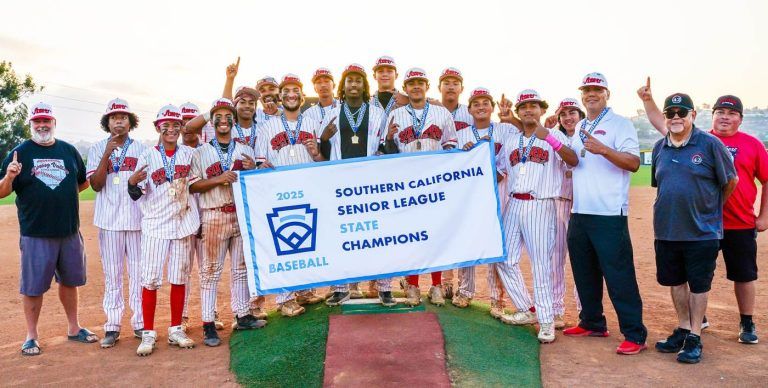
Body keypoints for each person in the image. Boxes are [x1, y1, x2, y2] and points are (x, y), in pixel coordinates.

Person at [639, 81, 768, 344]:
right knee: (689, 275)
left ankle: (746, 322)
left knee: (742, 275)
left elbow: (750, 180)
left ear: (740, 119)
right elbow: (661, 122)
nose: (725, 117)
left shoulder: (745, 144)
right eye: (721, 111)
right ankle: (695, 322)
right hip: (694, 225)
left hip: (734, 221)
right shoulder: (680, 140)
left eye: (732, 113)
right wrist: (647, 100)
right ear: (712, 115)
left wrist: (762, 216)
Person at [0, 102, 97, 356]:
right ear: (31, 124)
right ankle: (31, 336)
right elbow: (2, 192)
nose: (42, 125)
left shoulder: (68, 150)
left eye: (47, 121)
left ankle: (74, 328)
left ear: (54, 123)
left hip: (68, 230)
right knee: (33, 286)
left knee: (70, 281)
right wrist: (10, 176)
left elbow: (82, 182)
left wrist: (60, 197)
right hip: (36, 232)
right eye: (37, 122)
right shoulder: (20, 153)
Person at [649, 93, 738, 363]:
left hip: (702, 231)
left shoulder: (710, 144)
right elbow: (661, 185)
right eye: (670, 113)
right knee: (675, 282)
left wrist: (711, 208)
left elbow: (730, 181)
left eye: (681, 112)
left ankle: (695, 336)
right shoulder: (659, 147)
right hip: (667, 230)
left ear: (693, 115)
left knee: (699, 285)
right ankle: (684, 328)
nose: (676, 117)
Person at [565, 72, 648, 355]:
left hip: (609, 212)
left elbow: (634, 163)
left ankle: (635, 334)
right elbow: (576, 162)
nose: (591, 94)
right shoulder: (580, 126)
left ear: (607, 94)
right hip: (580, 211)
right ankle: (592, 322)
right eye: (587, 90)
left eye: (597, 90)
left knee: (619, 274)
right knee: (584, 271)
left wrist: (603, 149)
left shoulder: (620, 124)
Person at [493, 90, 578, 344]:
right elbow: (499, 171)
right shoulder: (511, 141)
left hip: (541, 204)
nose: (529, 110)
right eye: (524, 107)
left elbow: (573, 161)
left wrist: (551, 139)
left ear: (542, 110)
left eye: (534, 106)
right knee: (503, 258)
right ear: (518, 112)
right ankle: (527, 309)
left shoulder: (555, 135)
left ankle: (547, 320)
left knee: (541, 265)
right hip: (514, 203)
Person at [190, 98, 266, 347]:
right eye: (218, 116)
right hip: (213, 213)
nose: (223, 120)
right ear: (212, 121)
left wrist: (251, 168)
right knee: (210, 272)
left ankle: (242, 314)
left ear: (234, 120)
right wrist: (218, 179)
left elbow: (254, 181)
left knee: (241, 269)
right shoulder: (200, 151)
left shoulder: (244, 148)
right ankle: (208, 324)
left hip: (239, 214)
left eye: (227, 116)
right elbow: (193, 185)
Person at [316, 64, 393, 307]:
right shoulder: (332, 113)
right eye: (349, 80)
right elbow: (321, 151)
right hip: (340, 182)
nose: (353, 85)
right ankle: (341, 288)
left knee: (379, 234)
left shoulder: (378, 113)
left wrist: (386, 145)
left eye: (358, 81)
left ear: (364, 85)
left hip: (370, 182)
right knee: (342, 234)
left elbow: (384, 147)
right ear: (343, 85)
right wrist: (324, 140)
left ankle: (385, 287)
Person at [380, 67, 458, 307]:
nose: (416, 86)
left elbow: (451, 143)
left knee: (436, 234)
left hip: (433, 182)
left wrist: (443, 164)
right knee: (411, 235)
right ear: (405, 88)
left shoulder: (441, 112)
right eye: (411, 83)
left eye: (420, 82)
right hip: (407, 183)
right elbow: (384, 148)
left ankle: (435, 286)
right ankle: (412, 286)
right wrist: (389, 138)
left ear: (427, 86)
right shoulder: (396, 114)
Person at [128, 105, 201, 356]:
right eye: (165, 125)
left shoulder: (189, 154)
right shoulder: (148, 156)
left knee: (179, 277)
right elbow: (136, 193)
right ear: (158, 128)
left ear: (181, 128)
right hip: (156, 225)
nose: (171, 129)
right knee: (150, 279)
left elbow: (196, 186)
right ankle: (148, 332)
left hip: (182, 223)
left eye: (175, 125)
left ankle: (175, 328)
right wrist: (131, 183)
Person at [255, 74, 326, 316]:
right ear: (280, 96)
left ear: (302, 96)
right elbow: (260, 161)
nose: (291, 94)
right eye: (286, 91)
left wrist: (316, 154)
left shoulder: (313, 123)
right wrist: (260, 168)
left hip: (307, 188)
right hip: (279, 192)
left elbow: (321, 161)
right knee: (283, 242)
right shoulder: (267, 127)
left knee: (307, 240)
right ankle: (284, 299)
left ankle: (305, 291)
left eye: (296, 90)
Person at [87, 98, 146, 348]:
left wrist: (134, 182)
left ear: (130, 122)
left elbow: (143, 188)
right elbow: (96, 185)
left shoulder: (142, 148)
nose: (118, 120)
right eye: (113, 117)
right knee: (113, 276)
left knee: (138, 274)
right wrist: (107, 154)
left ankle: (140, 323)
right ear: (107, 122)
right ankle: (112, 326)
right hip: (109, 221)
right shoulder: (97, 148)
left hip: (136, 220)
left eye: (123, 116)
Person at [456, 87, 518, 311]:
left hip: (498, 188)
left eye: (485, 103)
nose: (481, 107)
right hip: (470, 193)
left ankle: (496, 297)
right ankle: (464, 291)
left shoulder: (505, 129)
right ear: (469, 109)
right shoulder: (461, 134)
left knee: (495, 243)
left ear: (491, 107)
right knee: (467, 241)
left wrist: (499, 173)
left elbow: (512, 156)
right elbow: (453, 165)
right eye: (476, 103)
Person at [550, 98, 585, 328]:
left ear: (580, 115)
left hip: (582, 204)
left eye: (573, 112)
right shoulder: (554, 137)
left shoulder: (587, 137)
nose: (568, 117)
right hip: (557, 201)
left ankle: (586, 311)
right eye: (564, 114)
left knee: (582, 260)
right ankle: (555, 310)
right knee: (555, 259)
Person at [438, 67, 472, 300]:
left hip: (465, 181)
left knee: (464, 231)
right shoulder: (432, 112)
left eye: (455, 82)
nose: (451, 86)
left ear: (461, 88)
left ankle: (464, 286)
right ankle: (445, 282)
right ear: (439, 87)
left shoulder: (470, 114)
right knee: (442, 231)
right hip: (439, 180)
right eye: (446, 82)